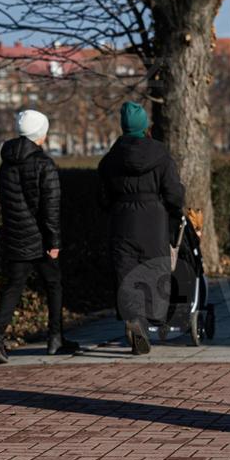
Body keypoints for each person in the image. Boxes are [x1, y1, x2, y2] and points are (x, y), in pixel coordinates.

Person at [0, 110, 78, 364]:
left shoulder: (7, 162)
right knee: (54, 285)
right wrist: (54, 242)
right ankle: (55, 338)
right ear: (40, 134)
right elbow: (50, 207)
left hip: (15, 235)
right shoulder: (44, 163)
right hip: (40, 239)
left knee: (12, 288)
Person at [96, 102, 186, 355]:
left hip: (122, 219)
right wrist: (175, 209)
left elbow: (102, 197)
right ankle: (149, 320)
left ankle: (136, 320)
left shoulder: (110, 159)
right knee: (153, 269)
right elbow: (173, 192)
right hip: (153, 219)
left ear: (123, 126)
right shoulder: (160, 155)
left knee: (126, 272)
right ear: (145, 125)